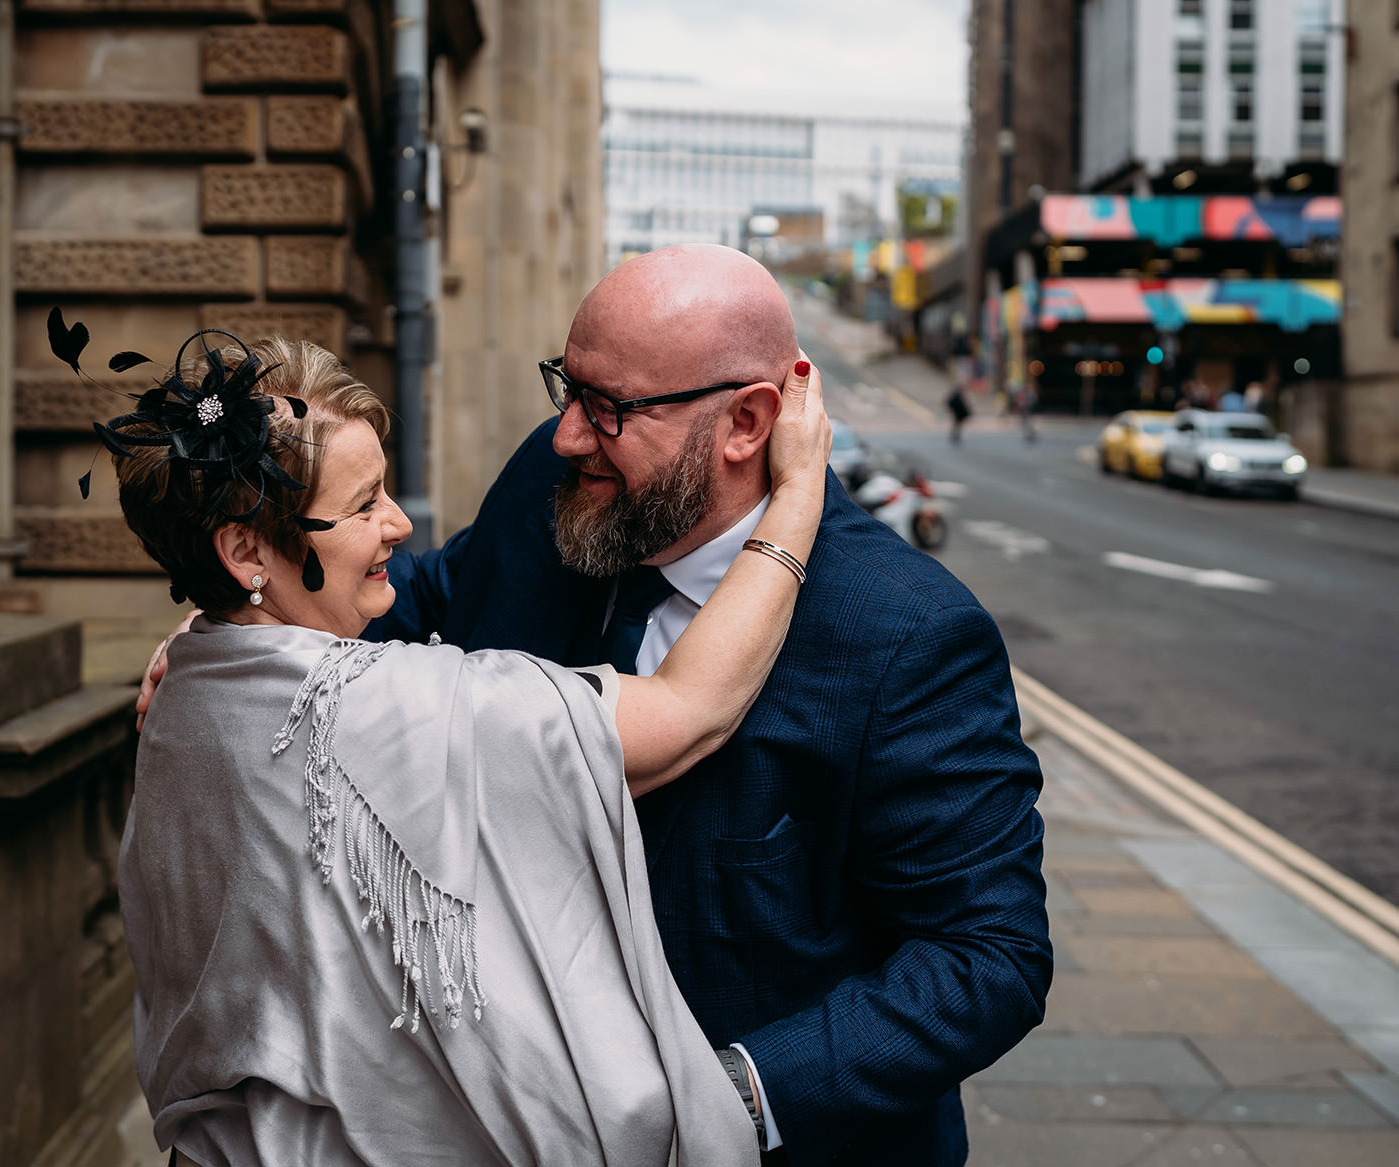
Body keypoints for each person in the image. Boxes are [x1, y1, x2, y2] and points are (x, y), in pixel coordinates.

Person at [140, 246, 1052, 1165]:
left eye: (608, 407)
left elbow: (989, 956)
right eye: (565, 389)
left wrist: (735, 1094)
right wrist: (234, 622)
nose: (569, 435)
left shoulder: (910, 636)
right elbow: (432, 591)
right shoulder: (561, 480)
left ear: (748, 421)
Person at [90, 318, 833, 1166]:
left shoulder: (191, 677)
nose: (400, 523)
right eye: (364, 503)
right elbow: (689, 708)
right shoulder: (389, 707)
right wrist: (799, 489)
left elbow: (433, 580)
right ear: (245, 549)